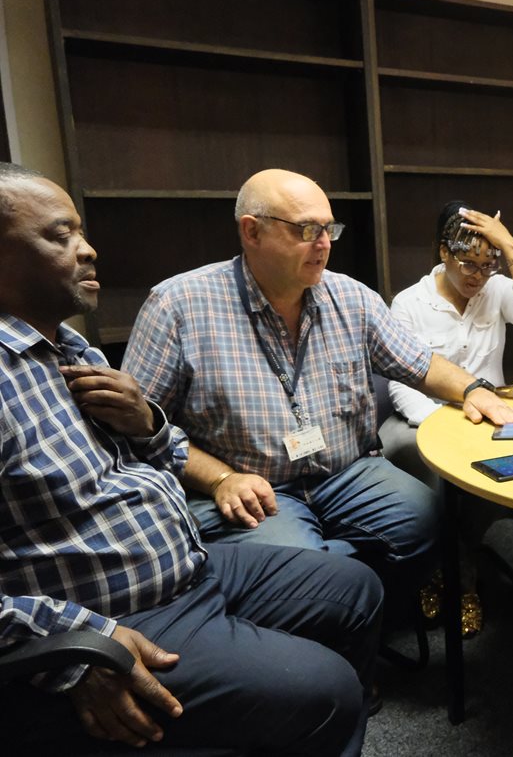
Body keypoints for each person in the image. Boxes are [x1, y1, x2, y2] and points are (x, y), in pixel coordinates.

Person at [0, 162, 381, 755]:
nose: (88, 249)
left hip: (190, 566)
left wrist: (149, 423)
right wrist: (71, 649)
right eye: (60, 235)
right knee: (328, 692)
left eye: (81, 231)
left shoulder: (70, 348)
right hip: (114, 615)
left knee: (356, 588)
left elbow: (150, 455)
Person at [122, 169, 513, 609]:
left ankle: (360, 610)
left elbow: (420, 364)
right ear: (252, 232)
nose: (325, 244)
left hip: (346, 473)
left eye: (330, 229)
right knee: (307, 571)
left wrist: (473, 388)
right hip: (252, 485)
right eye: (307, 230)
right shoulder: (178, 306)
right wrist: (219, 478)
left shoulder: (351, 297)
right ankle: (334, 622)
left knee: (426, 520)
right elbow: (139, 431)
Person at [381, 199, 513, 635]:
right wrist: (441, 425)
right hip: (424, 417)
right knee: (429, 473)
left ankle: (451, 567)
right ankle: (463, 578)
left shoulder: (496, 290)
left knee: (498, 475)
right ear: (443, 252)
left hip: (487, 415)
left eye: (487, 265)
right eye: (467, 264)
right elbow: (401, 383)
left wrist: (509, 244)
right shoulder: (409, 302)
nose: (477, 275)